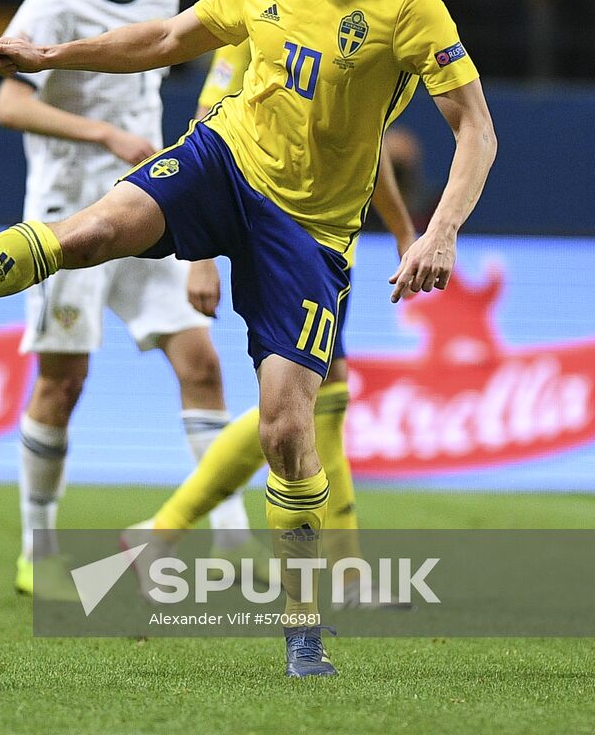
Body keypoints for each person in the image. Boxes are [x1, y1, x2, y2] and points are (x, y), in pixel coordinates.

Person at [0, 0, 497, 677]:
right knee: (90, 232)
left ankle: (303, 630)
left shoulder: (408, 4)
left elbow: (476, 130)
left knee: (286, 427)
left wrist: (436, 232)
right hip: (222, 161)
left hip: (308, 231)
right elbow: (164, 40)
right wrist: (50, 55)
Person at [0, 0, 231, 596]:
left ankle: (232, 539)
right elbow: (10, 105)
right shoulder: (53, 3)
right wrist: (103, 134)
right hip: (69, 219)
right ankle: (38, 545)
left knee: (202, 364)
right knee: (63, 383)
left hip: (149, 211)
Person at [125, 38, 421, 596]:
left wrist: (404, 230)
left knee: (319, 394)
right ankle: (344, 567)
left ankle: (162, 534)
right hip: (280, 240)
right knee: (313, 397)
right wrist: (201, 259)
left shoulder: (335, 27)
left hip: (329, 238)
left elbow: (368, 143)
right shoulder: (250, 23)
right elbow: (202, 132)